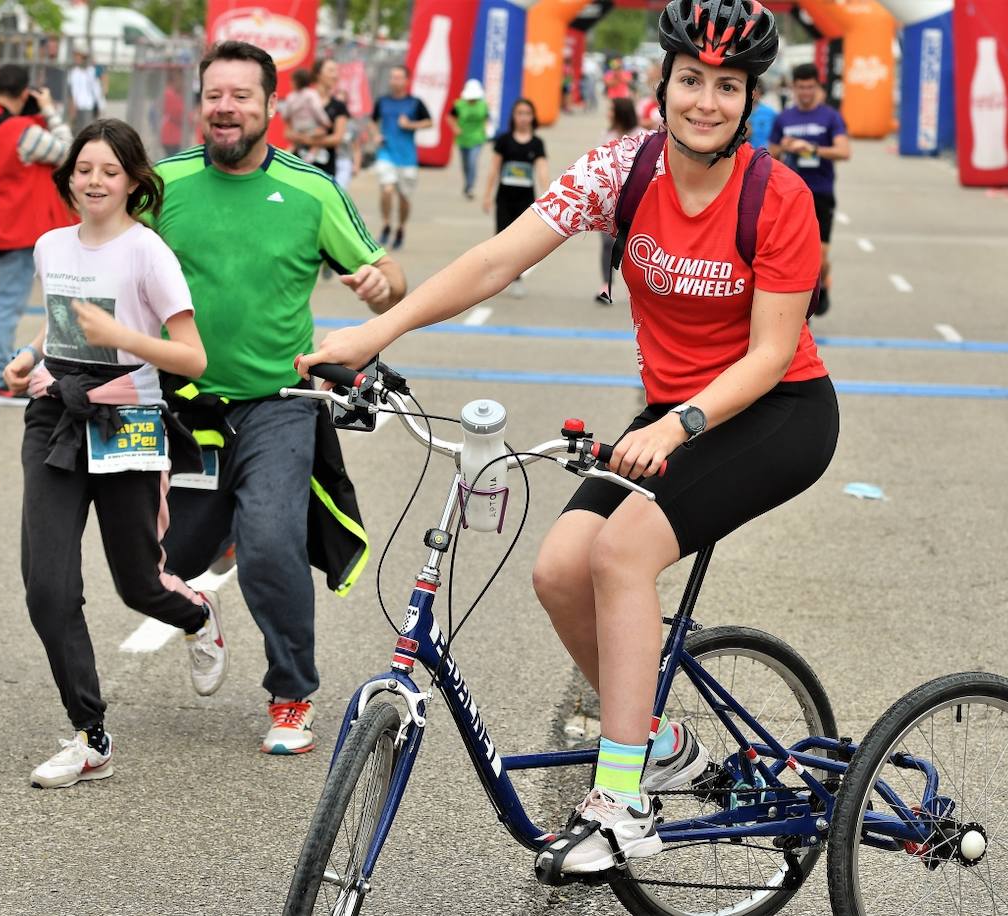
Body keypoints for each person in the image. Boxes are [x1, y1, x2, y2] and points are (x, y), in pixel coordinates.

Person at [298, 0, 837, 878]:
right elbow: (496, 260)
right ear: (661, 83)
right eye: (691, 80)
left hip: (773, 412)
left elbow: (774, 352)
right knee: (557, 571)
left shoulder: (777, 198)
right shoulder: (624, 170)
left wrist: (677, 424)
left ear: (749, 100)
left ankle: (621, 802)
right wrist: (374, 333)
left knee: (621, 554)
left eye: (727, 86)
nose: (705, 100)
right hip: (667, 413)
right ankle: (656, 740)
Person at [153, 41, 407, 755]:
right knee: (150, 565)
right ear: (200, 102)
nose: (225, 107)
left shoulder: (310, 189)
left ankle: (291, 694)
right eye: (214, 95)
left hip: (279, 400)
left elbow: (388, 273)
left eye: (241, 95)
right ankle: (201, 608)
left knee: (270, 544)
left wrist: (383, 289)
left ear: (270, 105)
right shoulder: (162, 185)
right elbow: (107, 260)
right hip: (185, 406)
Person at [1, 119, 223, 789]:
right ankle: (90, 736)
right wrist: (31, 357)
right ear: (68, 175)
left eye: (109, 170)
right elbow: (60, 324)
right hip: (54, 417)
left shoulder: (147, 252)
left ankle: (196, 615)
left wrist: (121, 333)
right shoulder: (50, 245)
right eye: (84, 168)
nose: (94, 181)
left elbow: (191, 356)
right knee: (48, 586)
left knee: (138, 583)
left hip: (127, 419)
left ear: (131, 181)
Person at [0, 63, 77, 406]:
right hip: (17, 226)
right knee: (6, 307)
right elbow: (69, 152)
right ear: (25, 93)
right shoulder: (23, 131)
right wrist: (50, 111)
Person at [769, 62, 849, 317]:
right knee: (793, 254)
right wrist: (786, 147)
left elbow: (844, 151)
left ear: (817, 87)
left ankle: (823, 281)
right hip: (790, 195)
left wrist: (811, 149)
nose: (805, 92)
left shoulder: (830, 117)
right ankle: (802, 306)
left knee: (821, 256)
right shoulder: (784, 118)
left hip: (821, 192)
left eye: (810, 87)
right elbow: (770, 154)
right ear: (793, 88)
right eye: (801, 87)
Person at [484, 98, 548, 300]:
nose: (523, 118)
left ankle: (517, 278)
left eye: (527, 114)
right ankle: (496, 278)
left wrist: (547, 195)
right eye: (519, 113)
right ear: (513, 116)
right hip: (504, 197)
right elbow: (494, 168)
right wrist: (487, 195)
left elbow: (542, 170)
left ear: (532, 117)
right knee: (501, 237)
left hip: (525, 199)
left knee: (521, 241)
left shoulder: (537, 144)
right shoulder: (504, 140)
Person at [372, 65, 432, 250]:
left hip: (407, 158)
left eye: (398, 77)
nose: (394, 81)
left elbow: (429, 122)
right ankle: (386, 223)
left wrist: (410, 125)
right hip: (386, 153)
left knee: (404, 197)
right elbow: (373, 121)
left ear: (406, 81)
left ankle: (401, 227)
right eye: (392, 77)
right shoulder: (382, 101)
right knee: (387, 190)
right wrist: (376, 135)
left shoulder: (415, 102)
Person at [595, 97, 642, 304]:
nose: (608, 113)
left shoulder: (640, 136)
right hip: (609, 200)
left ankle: (640, 291)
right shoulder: (607, 135)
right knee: (607, 244)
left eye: (612, 110)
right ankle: (606, 284)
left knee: (634, 247)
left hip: (636, 199)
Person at [291, 58, 349, 178]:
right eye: (331, 70)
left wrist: (308, 140)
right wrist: (307, 137)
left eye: (336, 71)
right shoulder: (301, 99)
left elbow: (337, 138)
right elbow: (287, 132)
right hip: (298, 164)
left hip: (325, 170)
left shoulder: (339, 106)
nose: (335, 75)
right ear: (318, 74)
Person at [448, 78, 490, 199]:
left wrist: (485, 128)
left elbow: (486, 117)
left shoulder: (483, 105)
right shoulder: (459, 105)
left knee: (472, 162)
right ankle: (467, 183)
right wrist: (455, 127)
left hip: (477, 138)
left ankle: (471, 187)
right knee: (465, 164)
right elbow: (450, 117)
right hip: (463, 138)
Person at [280, 67, 331, 164]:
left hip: (297, 129)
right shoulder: (311, 94)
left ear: (297, 82)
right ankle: (312, 153)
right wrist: (326, 122)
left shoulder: (291, 97)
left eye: (292, 81)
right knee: (322, 133)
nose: (290, 83)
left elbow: (285, 114)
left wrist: (288, 120)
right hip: (311, 128)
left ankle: (291, 150)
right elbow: (317, 110)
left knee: (296, 141)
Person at [67, 50, 106, 133]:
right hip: (79, 106)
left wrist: (102, 98)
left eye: (80, 57)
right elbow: (72, 91)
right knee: (78, 130)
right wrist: (72, 106)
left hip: (90, 105)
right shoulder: (73, 72)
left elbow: (104, 77)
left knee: (91, 129)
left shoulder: (92, 70)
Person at [745, 77, 776, 152]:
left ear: (761, 92)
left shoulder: (770, 113)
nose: (753, 94)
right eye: (750, 90)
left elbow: (776, 137)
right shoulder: (736, 111)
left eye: (756, 91)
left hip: (763, 155)